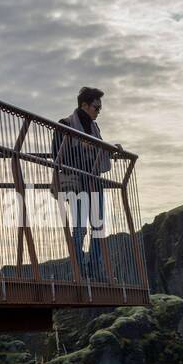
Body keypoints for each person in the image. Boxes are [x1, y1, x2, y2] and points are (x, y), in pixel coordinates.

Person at [52, 86, 116, 281]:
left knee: (98, 227)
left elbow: (99, 150)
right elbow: (57, 155)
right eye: (96, 108)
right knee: (80, 229)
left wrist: (110, 149)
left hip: (94, 182)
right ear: (84, 105)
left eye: (100, 108)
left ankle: (96, 271)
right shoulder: (65, 125)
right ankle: (80, 272)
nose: (98, 112)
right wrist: (81, 147)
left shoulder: (95, 129)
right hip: (78, 182)